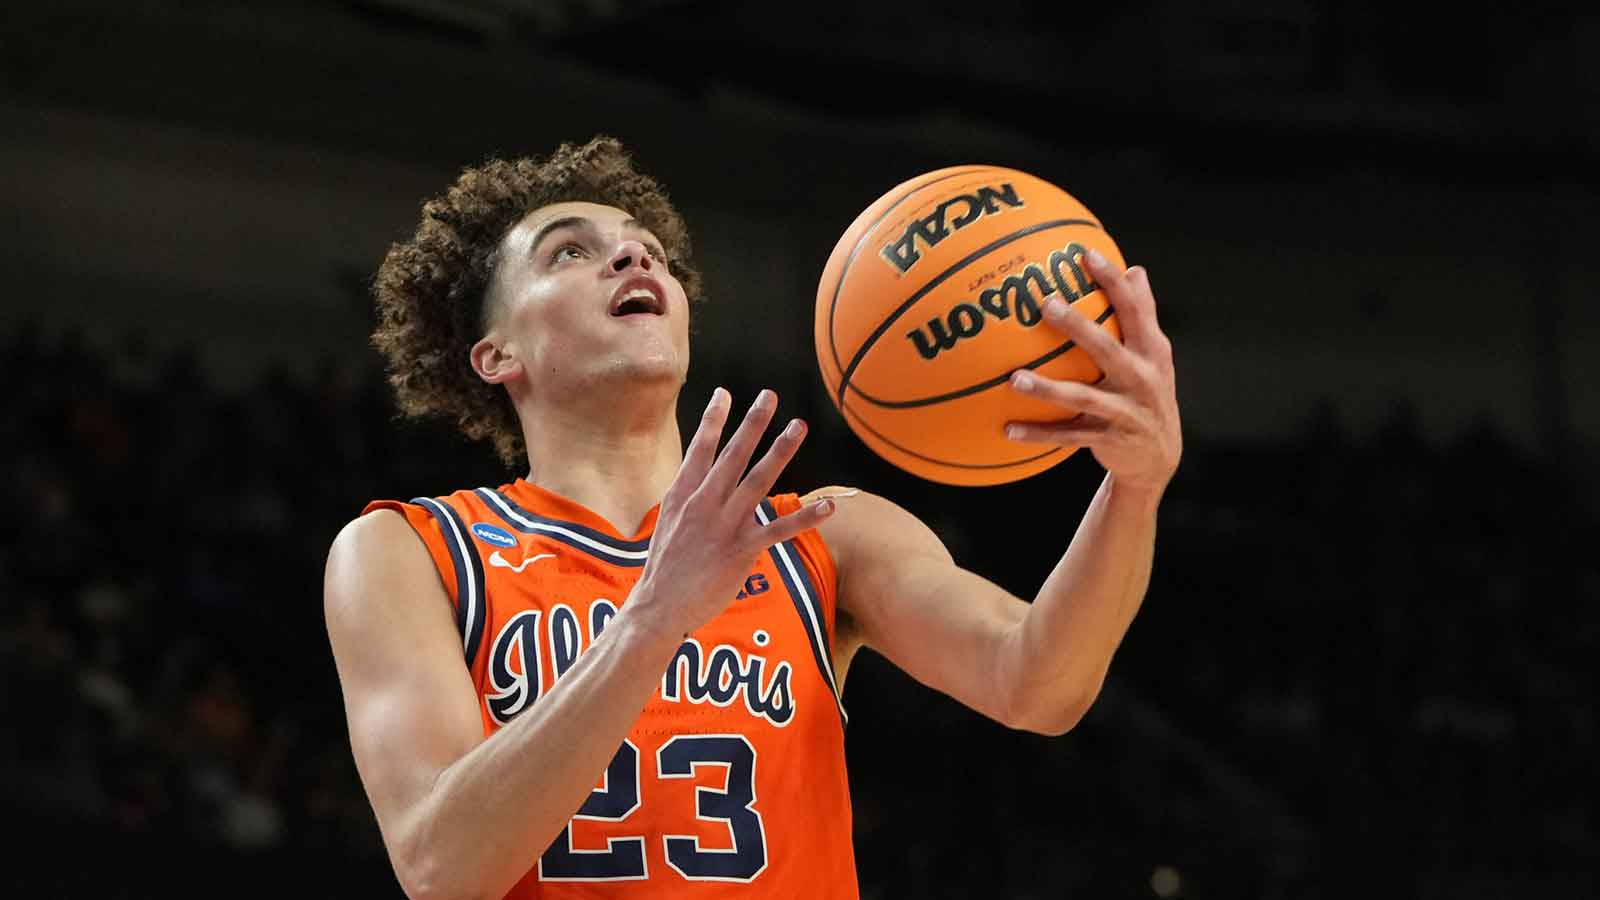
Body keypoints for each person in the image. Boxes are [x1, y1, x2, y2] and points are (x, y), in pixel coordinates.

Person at [323, 136, 1181, 900]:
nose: (632, 257)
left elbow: (1038, 685)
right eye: (570, 252)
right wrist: (651, 624)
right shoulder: (409, 551)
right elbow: (441, 867)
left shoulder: (826, 534)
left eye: (650, 250)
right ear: (495, 353)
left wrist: (1134, 490)